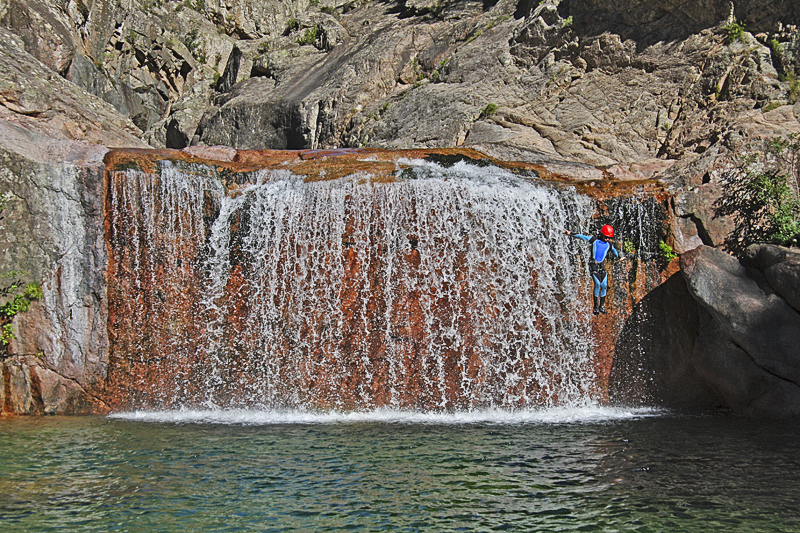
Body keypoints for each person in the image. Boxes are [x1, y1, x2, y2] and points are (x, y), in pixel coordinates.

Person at [564, 224, 621, 315]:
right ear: (602, 235)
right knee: (597, 284)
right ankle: (595, 306)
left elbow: (614, 250)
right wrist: (570, 233)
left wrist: (619, 257)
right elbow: (583, 237)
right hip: (593, 264)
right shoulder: (595, 241)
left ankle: (601, 306)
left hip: (601, 265)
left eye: (609, 238)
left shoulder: (609, 244)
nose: (608, 239)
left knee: (604, 285)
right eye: (606, 237)